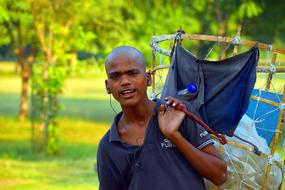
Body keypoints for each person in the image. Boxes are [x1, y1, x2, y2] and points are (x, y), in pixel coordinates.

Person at [96, 46, 227, 190]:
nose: (125, 82)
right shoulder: (109, 146)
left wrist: (174, 136)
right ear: (108, 86)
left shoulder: (178, 113)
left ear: (148, 79)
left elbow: (220, 175)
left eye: (132, 73)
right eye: (115, 76)